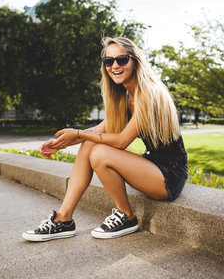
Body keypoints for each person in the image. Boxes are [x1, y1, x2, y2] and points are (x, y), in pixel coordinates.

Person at [22, 37, 188, 242]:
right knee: (90, 143)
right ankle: (63, 219)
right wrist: (65, 141)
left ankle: (127, 216)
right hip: (151, 166)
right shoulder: (127, 97)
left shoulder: (148, 94)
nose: (115, 66)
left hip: (169, 175)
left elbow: (121, 141)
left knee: (99, 152)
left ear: (135, 61)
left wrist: (78, 133)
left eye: (122, 59)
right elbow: (97, 130)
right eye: (109, 61)